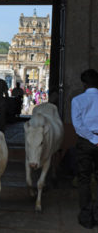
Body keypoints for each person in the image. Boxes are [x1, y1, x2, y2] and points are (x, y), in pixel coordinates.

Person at [71, 69, 98, 229]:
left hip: (86, 142)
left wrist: (94, 139)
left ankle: (87, 216)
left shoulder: (78, 100)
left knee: (84, 179)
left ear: (84, 84)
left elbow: (78, 126)